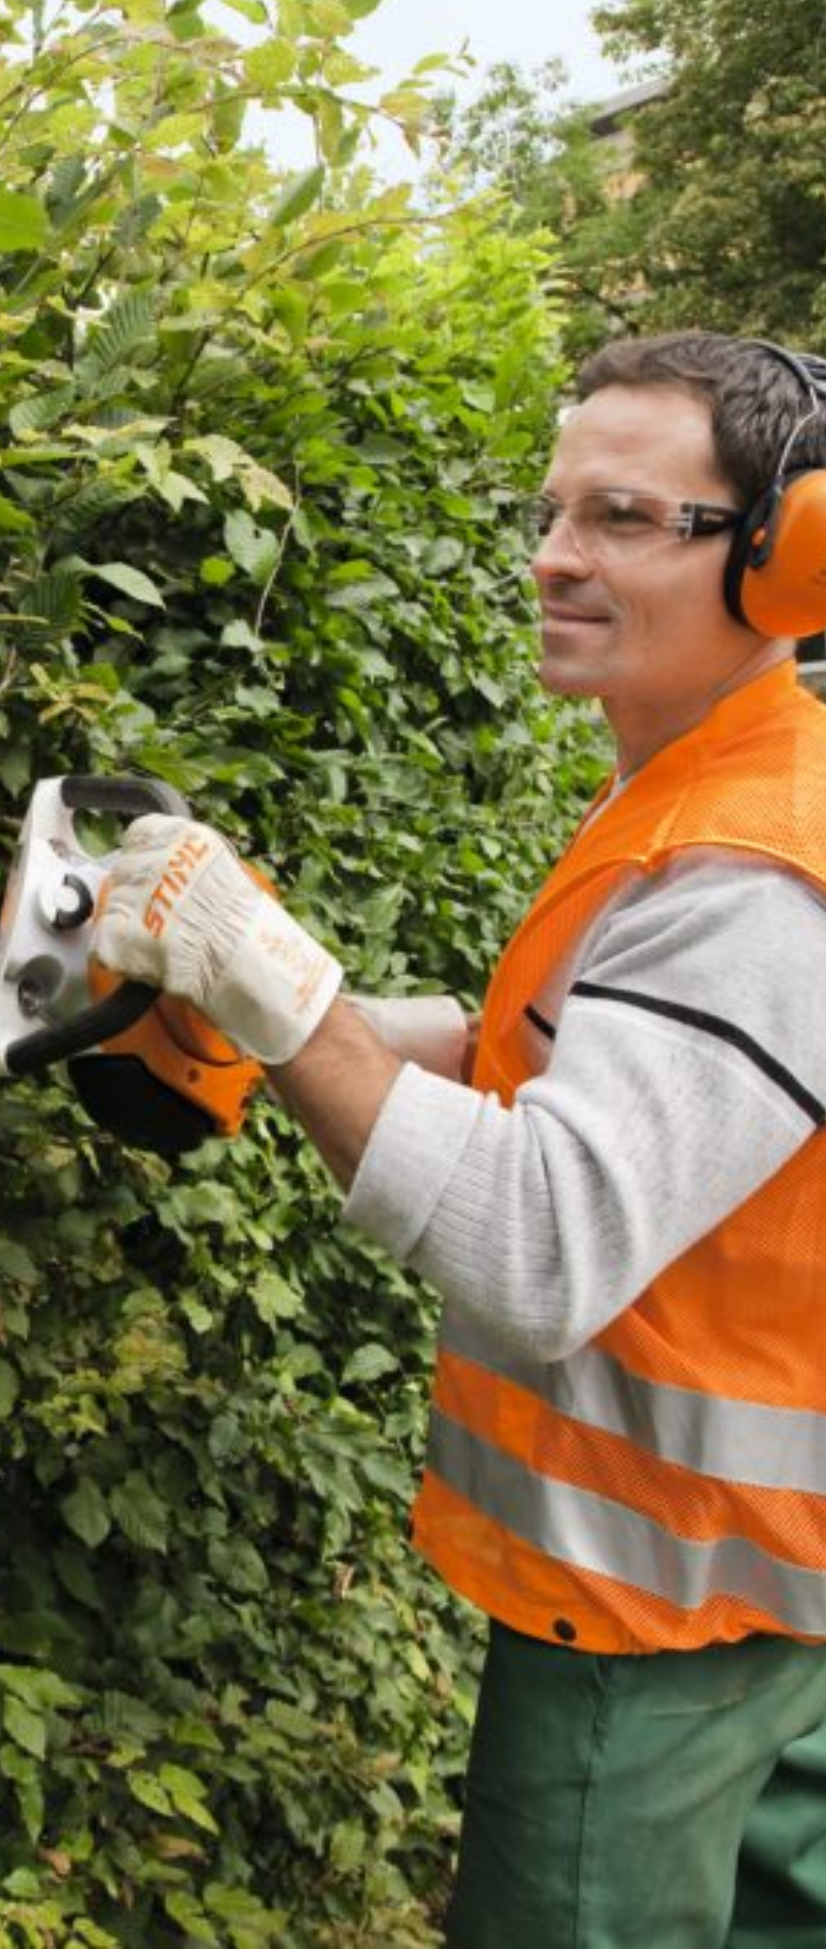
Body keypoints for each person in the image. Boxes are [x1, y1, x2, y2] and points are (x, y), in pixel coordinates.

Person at [91, 331, 826, 1948]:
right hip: (764, 1589)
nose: (555, 557)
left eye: (627, 518)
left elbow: (538, 1247)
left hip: (660, 1615)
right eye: (553, 508)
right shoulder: (704, 779)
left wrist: (285, 1006)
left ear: (784, 563)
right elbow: (554, 1064)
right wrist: (261, 1010)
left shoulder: (753, 877)